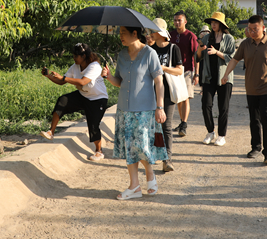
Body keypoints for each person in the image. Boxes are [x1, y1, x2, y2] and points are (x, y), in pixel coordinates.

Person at [103, 27, 167, 200]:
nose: (120, 36)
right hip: (124, 109)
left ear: (135, 34)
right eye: (119, 33)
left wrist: (160, 107)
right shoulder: (122, 55)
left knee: (142, 147)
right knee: (129, 148)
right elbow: (120, 81)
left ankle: (150, 174)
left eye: (123, 32)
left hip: (145, 109)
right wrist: (109, 76)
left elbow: (159, 81)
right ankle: (134, 186)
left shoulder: (150, 53)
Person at [221, 15, 267, 164]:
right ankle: (256, 147)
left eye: (255, 29)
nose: (252, 32)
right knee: (254, 120)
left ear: (263, 28)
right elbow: (234, 60)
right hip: (251, 89)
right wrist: (226, 74)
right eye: (249, 29)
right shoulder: (245, 44)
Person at [40, 43, 109, 161]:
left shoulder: (94, 66)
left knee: (93, 125)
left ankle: (99, 151)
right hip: (83, 95)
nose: (74, 58)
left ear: (84, 56)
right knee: (63, 100)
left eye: (76, 56)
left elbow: (82, 82)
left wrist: (63, 77)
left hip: (98, 99)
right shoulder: (75, 66)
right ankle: (51, 132)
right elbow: (62, 82)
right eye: (73, 55)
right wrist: (48, 76)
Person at [196, 12, 235, 146]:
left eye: (215, 22)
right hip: (209, 77)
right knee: (205, 105)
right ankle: (210, 132)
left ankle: (222, 135)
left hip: (225, 77)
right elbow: (198, 57)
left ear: (221, 24)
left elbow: (232, 58)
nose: (213, 25)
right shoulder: (206, 38)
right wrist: (200, 48)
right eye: (212, 22)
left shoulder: (229, 38)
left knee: (223, 107)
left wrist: (216, 52)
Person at [150, 18, 183, 172]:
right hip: (151, 92)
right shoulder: (150, 50)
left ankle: (167, 160)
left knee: (166, 125)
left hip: (168, 92)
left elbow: (179, 70)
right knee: (154, 126)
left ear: (160, 32)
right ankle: (157, 153)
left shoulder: (173, 48)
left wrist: (163, 68)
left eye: (153, 30)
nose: (151, 33)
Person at [169, 10, 199, 137]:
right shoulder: (171, 35)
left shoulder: (191, 36)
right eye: (175, 20)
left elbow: (196, 56)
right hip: (174, 71)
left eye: (179, 20)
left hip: (187, 71)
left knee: (185, 98)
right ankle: (182, 122)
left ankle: (184, 124)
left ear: (185, 21)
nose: (177, 22)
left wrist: (196, 74)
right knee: (179, 99)